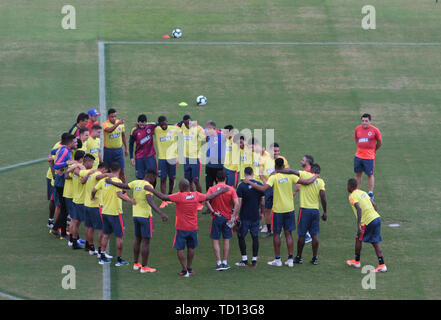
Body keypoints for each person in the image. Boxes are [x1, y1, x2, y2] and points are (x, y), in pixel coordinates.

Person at [145, 179, 229, 277]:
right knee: (191, 247)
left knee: (180, 248)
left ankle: (184, 270)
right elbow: (210, 196)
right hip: (193, 227)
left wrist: (151, 189)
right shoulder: (196, 195)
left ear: (181, 187)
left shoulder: (179, 196)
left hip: (181, 227)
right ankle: (189, 268)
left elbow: (163, 197)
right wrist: (221, 191)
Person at [243, 158, 318, 267]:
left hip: (278, 210)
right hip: (290, 209)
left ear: (275, 166)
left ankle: (278, 260)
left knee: (277, 234)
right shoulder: (290, 176)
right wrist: (316, 176)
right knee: (288, 234)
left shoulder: (273, 177)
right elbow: (306, 182)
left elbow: (263, 189)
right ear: (283, 166)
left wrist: (249, 181)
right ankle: (290, 259)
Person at [105, 170, 169, 273]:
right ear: (152, 177)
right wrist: (161, 213)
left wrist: (111, 182)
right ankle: (144, 267)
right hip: (145, 216)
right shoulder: (148, 186)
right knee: (146, 242)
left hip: (135, 215)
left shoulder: (136, 182)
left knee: (138, 240)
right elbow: (150, 200)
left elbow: (123, 185)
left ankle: (136, 263)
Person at [278, 163, 327, 265]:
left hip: (304, 210)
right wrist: (325, 211)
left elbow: (291, 171)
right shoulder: (320, 181)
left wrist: (279, 171)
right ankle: (315, 258)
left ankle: (299, 257)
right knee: (314, 235)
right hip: (315, 211)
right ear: (318, 172)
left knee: (302, 234)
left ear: (311, 170)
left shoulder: (304, 174)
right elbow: (323, 196)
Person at [92, 162, 136, 266]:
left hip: (105, 211)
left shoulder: (103, 181)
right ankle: (119, 259)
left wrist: (93, 197)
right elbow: (120, 195)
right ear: (119, 170)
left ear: (110, 170)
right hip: (116, 213)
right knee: (119, 237)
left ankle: (102, 256)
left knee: (106, 235)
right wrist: (131, 201)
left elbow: (94, 190)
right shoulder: (117, 181)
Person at [346, 178, 387, 272]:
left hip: (367, 222)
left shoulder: (352, 196)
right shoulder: (363, 192)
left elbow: (359, 209)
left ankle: (357, 262)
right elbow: (374, 205)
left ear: (350, 186)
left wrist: (358, 225)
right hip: (376, 218)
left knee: (361, 239)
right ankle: (381, 264)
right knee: (373, 241)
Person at [205, 171, 240, 271]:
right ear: (225, 179)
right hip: (228, 218)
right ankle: (225, 262)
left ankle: (218, 262)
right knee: (226, 240)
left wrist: (212, 211)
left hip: (216, 217)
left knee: (215, 240)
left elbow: (206, 200)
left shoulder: (212, 189)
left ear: (216, 179)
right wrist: (234, 216)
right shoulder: (231, 189)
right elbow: (237, 204)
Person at [233, 167, 264, 267]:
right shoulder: (259, 184)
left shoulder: (241, 185)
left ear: (244, 173)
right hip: (255, 216)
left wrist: (236, 215)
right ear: (253, 173)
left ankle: (245, 260)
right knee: (255, 237)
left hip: (244, 216)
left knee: (241, 236)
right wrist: (261, 213)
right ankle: (254, 261)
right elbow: (263, 202)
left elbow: (239, 203)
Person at [49, 133, 77, 238]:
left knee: (64, 209)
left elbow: (53, 152)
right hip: (61, 183)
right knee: (64, 209)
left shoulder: (63, 149)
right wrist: (68, 162)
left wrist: (53, 154)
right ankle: (58, 230)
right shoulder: (65, 151)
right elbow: (57, 165)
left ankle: (59, 230)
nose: (76, 143)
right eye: (74, 142)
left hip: (61, 183)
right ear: (69, 143)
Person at [82, 162, 109, 256]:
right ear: (104, 169)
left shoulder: (89, 173)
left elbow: (82, 180)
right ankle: (100, 250)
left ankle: (91, 248)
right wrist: (108, 175)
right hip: (96, 206)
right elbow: (98, 177)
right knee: (101, 229)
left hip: (87, 204)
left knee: (89, 227)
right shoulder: (98, 174)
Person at [154, 115, 181, 208]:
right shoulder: (156, 129)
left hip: (173, 158)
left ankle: (170, 195)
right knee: (162, 179)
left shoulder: (174, 128)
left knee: (172, 179)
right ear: (159, 124)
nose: (163, 126)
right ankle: (164, 199)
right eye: (161, 125)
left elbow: (184, 126)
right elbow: (148, 125)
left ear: (167, 122)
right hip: (162, 159)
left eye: (165, 124)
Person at [354, 113, 382, 200]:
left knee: (370, 174)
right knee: (358, 174)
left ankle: (370, 193)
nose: (364, 123)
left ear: (370, 121)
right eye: (362, 121)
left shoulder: (375, 130)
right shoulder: (357, 129)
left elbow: (379, 142)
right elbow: (356, 140)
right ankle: (357, 191)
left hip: (369, 157)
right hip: (358, 156)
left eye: (366, 121)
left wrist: (373, 150)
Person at [180, 115, 206, 195]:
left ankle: (200, 200)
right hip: (186, 158)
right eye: (186, 123)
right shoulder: (182, 126)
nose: (188, 125)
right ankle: (191, 197)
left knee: (196, 181)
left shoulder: (198, 128)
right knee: (188, 181)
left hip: (195, 158)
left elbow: (205, 138)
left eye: (189, 123)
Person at [102, 108, 128, 183]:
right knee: (107, 171)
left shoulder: (120, 124)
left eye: (115, 116)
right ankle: (106, 188)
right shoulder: (105, 124)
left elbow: (123, 136)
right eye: (112, 117)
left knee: (122, 171)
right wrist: (118, 124)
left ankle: (124, 191)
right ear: (108, 116)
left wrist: (126, 148)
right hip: (108, 151)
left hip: (119, 151)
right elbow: (109, 130)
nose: (114, 118)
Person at [293, 154, 315, 243]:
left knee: (301, 220)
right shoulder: (312, 172)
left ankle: (307, 235)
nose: (301, 161)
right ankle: (309, 233)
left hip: (307, 200)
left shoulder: (309, 173)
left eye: (302, 160)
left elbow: (299, 186)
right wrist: (295, 191)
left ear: (307, 162)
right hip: (311, 200)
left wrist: (295, 190)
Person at [129, 114, 157, 180]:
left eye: (144, 122)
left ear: (146, 122)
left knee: (152, 176)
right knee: (140, 177)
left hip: (150, 156)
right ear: (138, 122)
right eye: (140, 122)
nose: (142, 124)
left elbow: (161, 123)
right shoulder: (134, 131)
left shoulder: (150, 127)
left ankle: (151, 189)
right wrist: (131, 157)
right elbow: (131, 144)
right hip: (139, 157)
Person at [205, 120, 226, 191]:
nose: (207, 130)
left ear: (213, 128)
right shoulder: (208, 135)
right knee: (208, 186)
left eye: (208, 129)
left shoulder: (221, 135)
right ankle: (208, 201)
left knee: (219, 187)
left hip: (218, 166)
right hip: (209, 165)